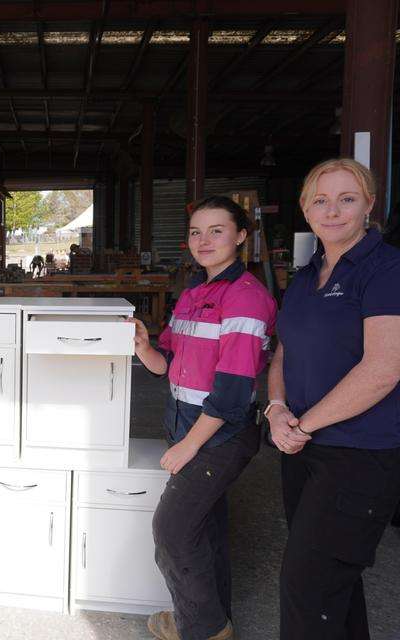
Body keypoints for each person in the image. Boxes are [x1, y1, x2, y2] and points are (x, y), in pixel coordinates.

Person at [129, 196, 277, 640]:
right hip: (186, 424)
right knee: (205, 527)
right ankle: (213, 618)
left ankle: (203, 628)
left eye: (217, 230)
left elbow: (232, 396)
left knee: (172, 531)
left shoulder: (246, 298)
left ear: (241, 236)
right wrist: (143, 346)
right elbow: (166, 363)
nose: (205, 240)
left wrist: (187, 446)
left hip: (218, 435)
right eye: (196, 231)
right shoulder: (193, 294)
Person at [266, 158, 400, 639]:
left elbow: (383, 369)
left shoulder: (387, 269)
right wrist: (276, 408)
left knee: (305, 587)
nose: (333, 210)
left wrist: (303, 425)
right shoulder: (306, 276)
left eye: (347, 199)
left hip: (359, 455)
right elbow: (285, 348)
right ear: (305, 210)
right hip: (301, 448)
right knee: (331, 586)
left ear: (368, 205)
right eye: (321, 200)